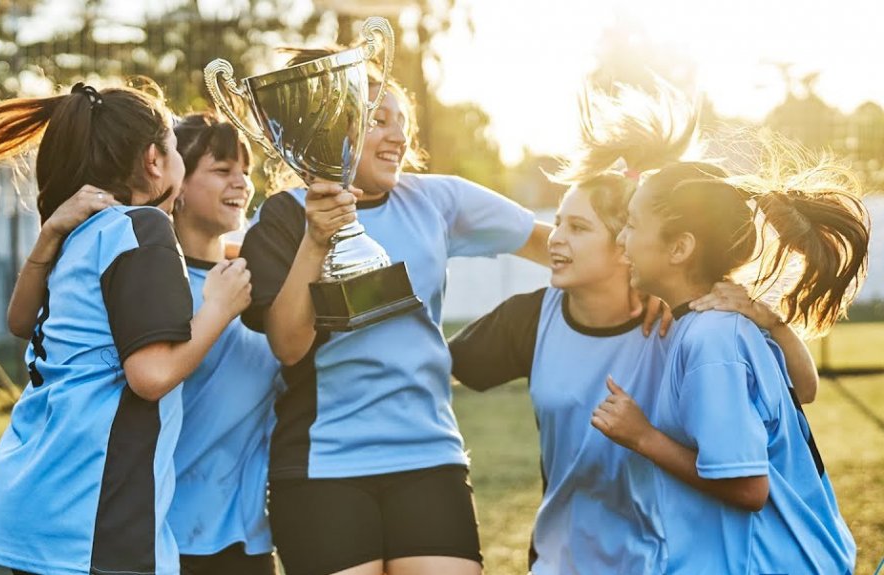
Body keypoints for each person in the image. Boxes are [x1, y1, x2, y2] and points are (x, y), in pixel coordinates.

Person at [448, 87, 820, 575]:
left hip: (669, 563)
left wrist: (772, 320)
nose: (554, 238)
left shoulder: (687, 323)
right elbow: (432, 369)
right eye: (556, 222)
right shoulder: (531, 318)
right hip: (563, 564)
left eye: (578, 228)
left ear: (626, 243)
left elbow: (802, 392)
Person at [238, 47, 556, 575]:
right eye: (377, 120)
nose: (398, 136)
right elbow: (289, 345)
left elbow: (558, 245)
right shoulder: (283, 217)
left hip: (430, 456)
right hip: (325, 464)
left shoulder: (438, 200)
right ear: (325, 126)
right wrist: (317, 240)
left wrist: (659, 293)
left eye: (402, 123)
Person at [0, 81, 252, 575]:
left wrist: (51, 232)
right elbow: (151, 375)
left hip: (33, 501)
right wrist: (220, 308)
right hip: (93, 515)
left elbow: (20, 322)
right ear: (153, 160)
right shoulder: (144, 227)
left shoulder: (81, 228)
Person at [5, 112, 281, 575]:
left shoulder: (259, 281)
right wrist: (215, 310)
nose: (241, 183)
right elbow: (148, 375)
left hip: (242, 537)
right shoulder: (139, 264)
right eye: (221, 169)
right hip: (152, 531)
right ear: (171, 173)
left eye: (245, 172)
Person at [595, 133, 865, 574]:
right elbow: (805, 389)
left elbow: (746, 487)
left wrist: (642, 436)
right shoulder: (725, 324)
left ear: (680, 248)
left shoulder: (712, 339)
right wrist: (772, 320)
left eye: (631, 224)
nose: (620, 239)